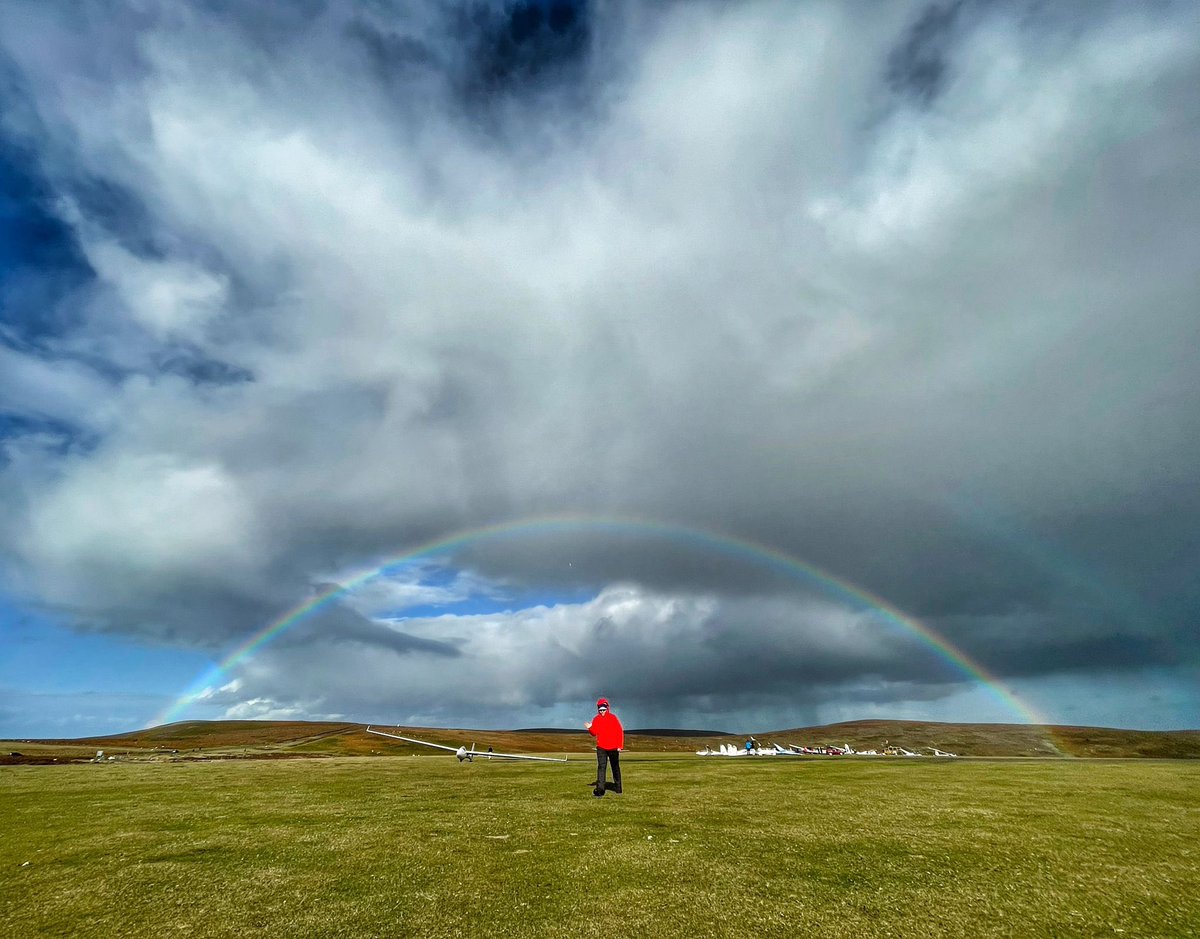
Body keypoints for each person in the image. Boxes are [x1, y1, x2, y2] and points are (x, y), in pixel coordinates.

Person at [585, 697, 624, 797]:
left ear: (607, 708)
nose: (602, 712)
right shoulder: (596, 719)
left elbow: (619, 732)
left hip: (613, 747)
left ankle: (618, 788)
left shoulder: (613, 718)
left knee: (615, 767)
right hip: (601, 747)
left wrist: (620, 746)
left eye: (603, 709)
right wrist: (590, 728)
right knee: (601, 768)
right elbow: (594, 733)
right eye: (600, 710)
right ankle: (600, 790)